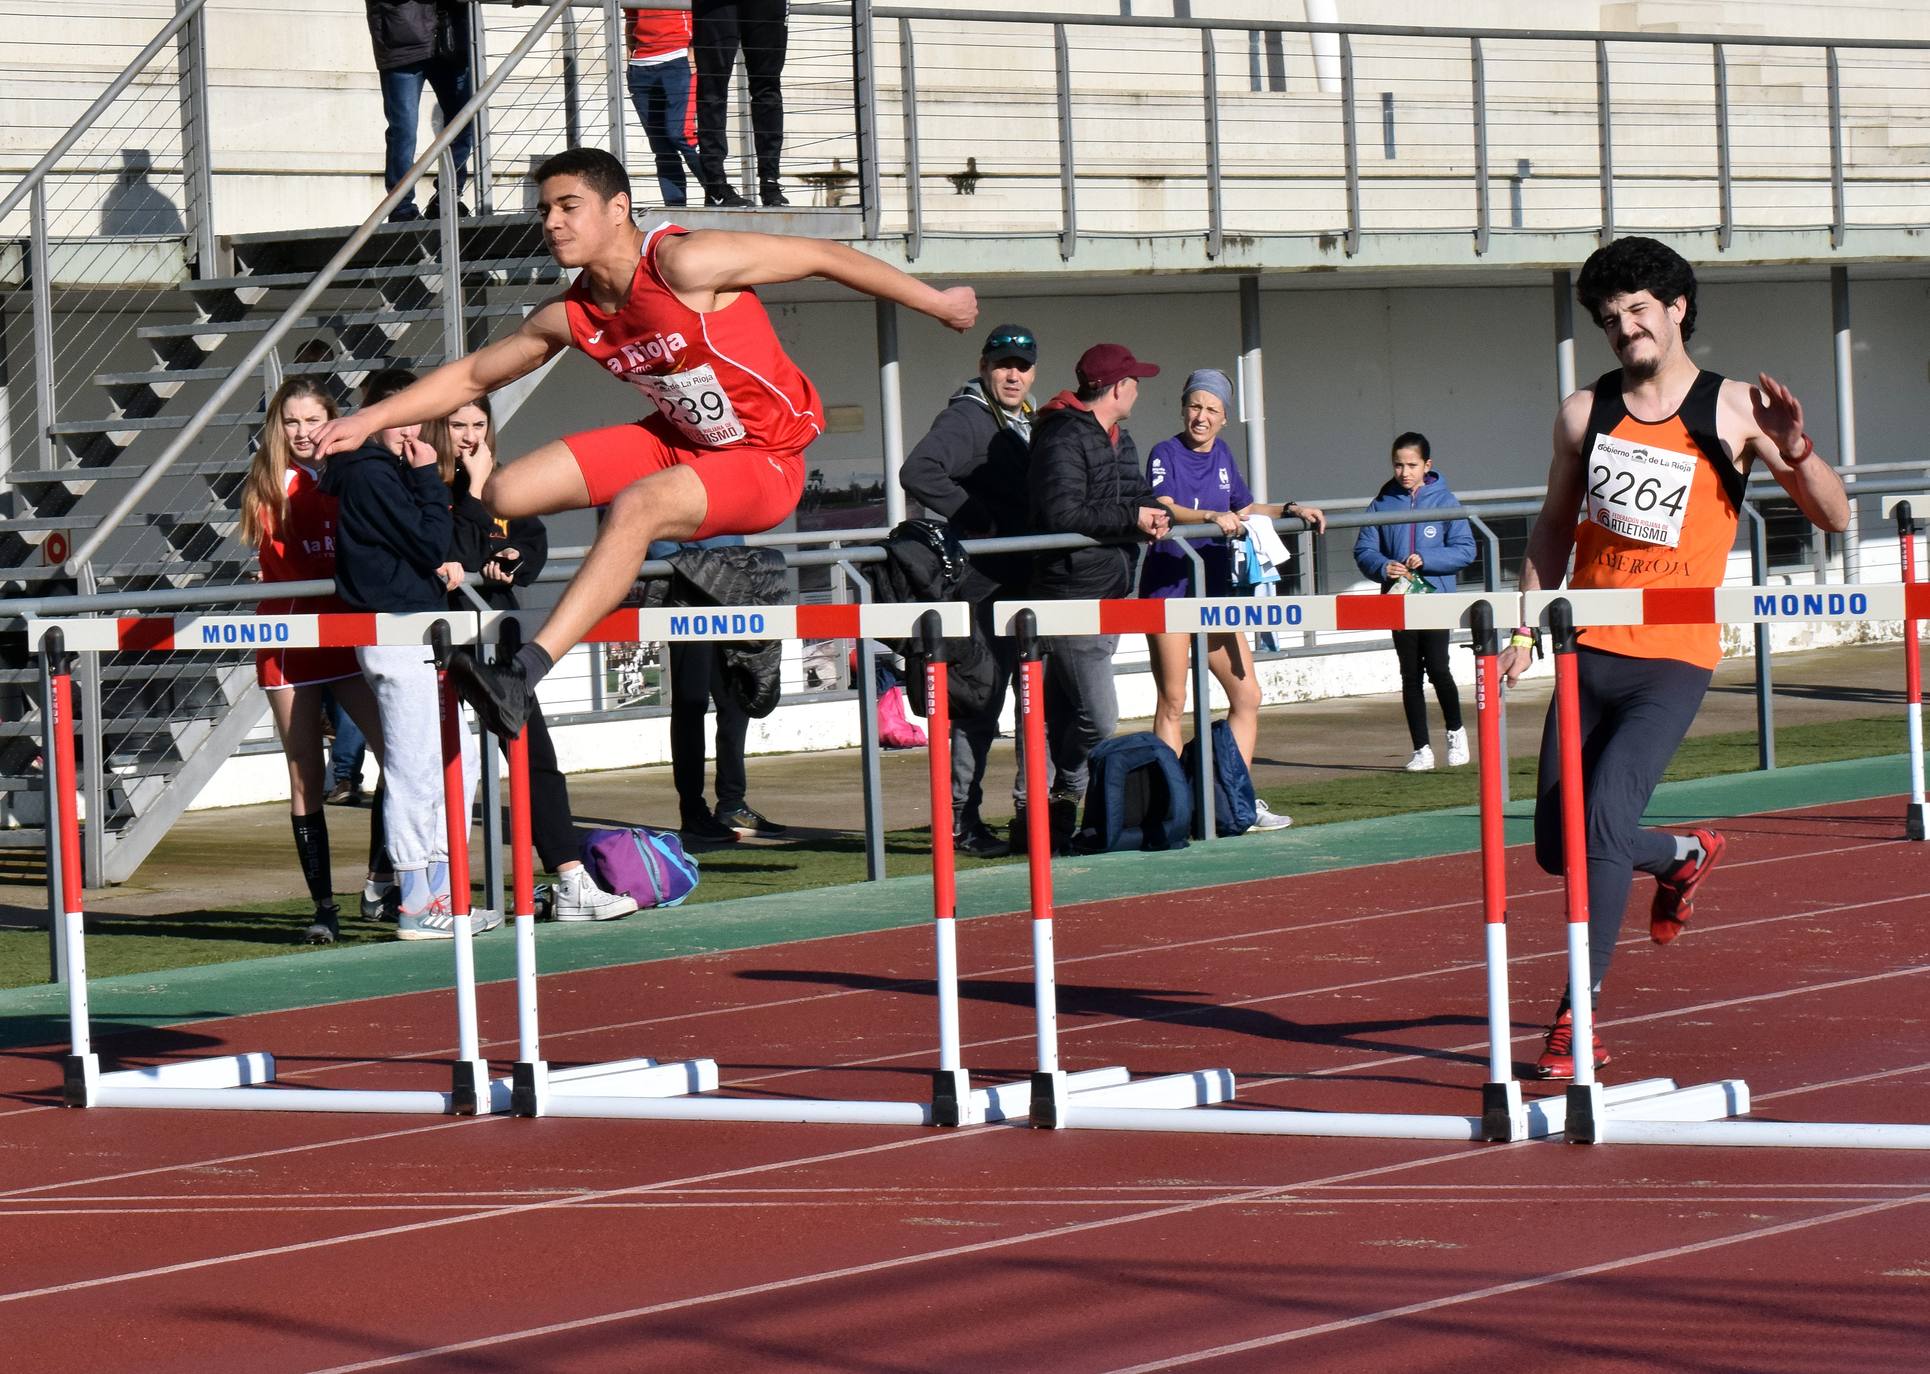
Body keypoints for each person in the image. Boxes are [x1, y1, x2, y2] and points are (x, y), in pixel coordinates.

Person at [312, 146, 976, 739]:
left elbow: (824, 258)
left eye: (569, 207)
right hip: (679, 440)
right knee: (506, 490)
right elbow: (476, 373)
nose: (552, 224)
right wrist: (368, 421)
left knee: (637, 506)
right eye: (544, 211)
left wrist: (936, 303)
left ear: (618, 208)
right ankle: (707, 585)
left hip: (765, 460)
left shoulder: (685, 262)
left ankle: (523, 675)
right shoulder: (573, 313)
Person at [1501, 237, 1849, 1078]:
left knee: (1607, 823)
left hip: (1672, 660)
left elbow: (1836, 518)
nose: (1626, 330)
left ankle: (1571, 1023)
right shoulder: (1584, 413)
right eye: (1611, 319)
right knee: (1559, 846)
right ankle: (1685, 855)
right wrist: (1522, 628)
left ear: (1676, 308)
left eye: (1639, 312)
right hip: (1588, 651)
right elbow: (1552, 524)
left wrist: (1795, 449)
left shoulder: (1732, 410)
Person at [427, 398, 636, 921]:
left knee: (534, 756)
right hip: (436, 641)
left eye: (479, 425)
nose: (471, 437)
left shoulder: (502, 483)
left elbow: (529, 541)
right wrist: (474, 497)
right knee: (422, 767)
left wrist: (515, 558)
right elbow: (452, 548)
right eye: (459, 426)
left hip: (498, 642)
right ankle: (390, 881)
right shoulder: (427, 486)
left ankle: (569, 878)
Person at [320, 369, 496, 941]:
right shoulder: (371, 473)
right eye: (392, 415)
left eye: (414, 415)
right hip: (395, 633)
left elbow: (431, 543)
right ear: (368, 417)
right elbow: (427, 542)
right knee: (414, 767)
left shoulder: (384, 470)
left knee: (458, 761)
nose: (407, 428)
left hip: (420, 628)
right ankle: (416, 899)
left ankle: (442, 888)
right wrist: (427, 477)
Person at [1138, 367, 1325, 833]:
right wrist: (1208, 516)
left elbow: (1244, 508)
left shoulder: (1223, 454)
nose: (1201, 417)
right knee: (1174, 701)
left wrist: (1290, 509)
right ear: (1183, 408)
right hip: (1171, 589)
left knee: (1248, 694)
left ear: (1225, 419)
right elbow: (1163, 506)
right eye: (1195, 406)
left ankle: (1237, 800)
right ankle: (1173, 807)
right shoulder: (1165, 452)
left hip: (1215, 592)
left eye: (1212, 410)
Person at [237, 378, 389, 945]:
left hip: (348, 631)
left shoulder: (352, 469)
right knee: (305, 774)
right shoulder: (271, 480)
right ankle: (323, 908)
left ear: (332, 420)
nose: (302, 432)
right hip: (290, 638)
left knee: (398, 755)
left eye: (312, 420)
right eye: (291, 422)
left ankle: (381, 879)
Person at [1020, 343, 1171, 852]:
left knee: (1064, 715)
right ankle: (1065, 791)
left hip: (1107, 589)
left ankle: (1048, 820)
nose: (1139, 389)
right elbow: (1063, 515)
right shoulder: (1063, 436)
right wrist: (1132, 518)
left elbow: (1130, 499)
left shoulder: (1118, 437)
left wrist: (1156, 512)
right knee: (1099, 718)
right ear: (1116, 387)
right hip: (1069, 593)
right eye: (1134, 380)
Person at [900, 322, 1041, 857]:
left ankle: (1013, 815)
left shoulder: (1023, 420)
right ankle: (960, 821)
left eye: (1022, 366)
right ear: (984, 366)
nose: (1013, 374)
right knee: (978, 706)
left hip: (1017, 585)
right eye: (1003, 363)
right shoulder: (968, 416)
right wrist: (979, 520)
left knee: (1019, 705)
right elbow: (918, 470)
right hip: (980, 589)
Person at [646, 532, 787, 846]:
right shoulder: (664, 483)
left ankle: (732, 805)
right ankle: (693, 811)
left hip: (734, 589)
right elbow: (659, 543)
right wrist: (686, 562)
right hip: (686, 596)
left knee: (737, 699)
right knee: (690, 705)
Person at [1353, 431, 1476, 773]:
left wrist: (1428, 558)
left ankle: (1455, 732)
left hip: (1435, 599)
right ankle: (1421, 748)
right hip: (1397, 601)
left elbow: (1466, 549)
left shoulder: (1445, 501)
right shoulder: (1381, 503)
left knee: (1438, 668)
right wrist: (1383, 567)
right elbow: (1364, 549)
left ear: (1427, 465)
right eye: (1398, 464)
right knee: (1410, 675)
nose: (1404, 472)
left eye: (1412, 465)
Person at [364, 0, 473, 222]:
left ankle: (448, 197)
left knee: (464, 123)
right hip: (402, 40)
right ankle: (401, 208)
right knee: (403, 131)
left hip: (450, 37)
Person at [692, 0, 789, 207]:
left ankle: (770, 182)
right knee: (712, 84)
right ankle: (716, 183)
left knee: (768, 86)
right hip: (715, 6)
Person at [627, 6, 705, 207]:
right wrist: (630, 57)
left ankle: (717, 191)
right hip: (641, 66)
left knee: (680, 134)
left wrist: (693, 53)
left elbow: (703, 13)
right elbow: (631, 17)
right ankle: (675, 207)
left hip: (678, 60)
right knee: (661, 147)